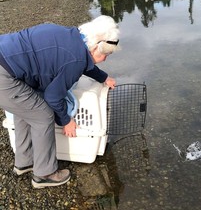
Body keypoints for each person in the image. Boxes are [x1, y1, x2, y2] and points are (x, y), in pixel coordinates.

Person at [0, 15, 120, 188]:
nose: (106, 58)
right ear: (94, 48)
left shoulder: (73, 37)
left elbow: (82, 60)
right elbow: (53, 96)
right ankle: (44, 174)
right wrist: (66, 120)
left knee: (25, 110)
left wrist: (103, 77)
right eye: (106, 54)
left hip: (5, 56)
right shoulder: (76, 59)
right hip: (4, 75)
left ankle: (25, 162)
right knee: (42, 115)